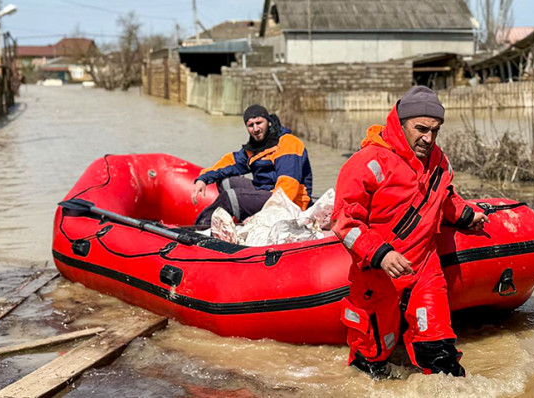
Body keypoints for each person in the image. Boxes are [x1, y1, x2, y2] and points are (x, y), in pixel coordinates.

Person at [331, 86, 488, 377]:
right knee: (371, 363)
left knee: (441, 355)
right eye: (421, 129)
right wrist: (381, 254)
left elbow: (445, 197)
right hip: (378, 273)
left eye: (435, 131)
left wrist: (467, 215)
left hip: (425, 268)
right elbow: (344, 221)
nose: (428, 138)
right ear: (401, 123)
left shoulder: (438, 161)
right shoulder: (367, 162)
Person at [192, 105, 313, 226]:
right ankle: (238, 222)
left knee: (230, 197)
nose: (256, 129)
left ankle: (200, 229)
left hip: (292, 204)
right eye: (251, 125)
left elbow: (287, 190)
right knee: (226, 182)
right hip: (266, 191)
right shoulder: (255, 147)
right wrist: (203, 179)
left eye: (259, 123)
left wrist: (259, 217)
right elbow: (230, 162)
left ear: (269, 122)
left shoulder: (289, 144)